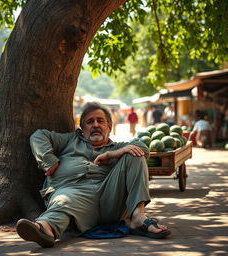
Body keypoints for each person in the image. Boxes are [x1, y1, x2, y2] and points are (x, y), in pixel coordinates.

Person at [16, 102, 170, 248]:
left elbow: (142, 148)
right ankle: (44, 229)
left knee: (135, 154)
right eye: (90, 122)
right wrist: (48, 160)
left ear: (109, 127)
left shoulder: (117, 147)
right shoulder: (70, 140)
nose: (95, 125)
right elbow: (38, 136)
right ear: (82, 129)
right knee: (65, 201)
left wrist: (111, 154)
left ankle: (138, 217)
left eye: (100, 121)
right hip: (71, 192)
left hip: (108, 200)